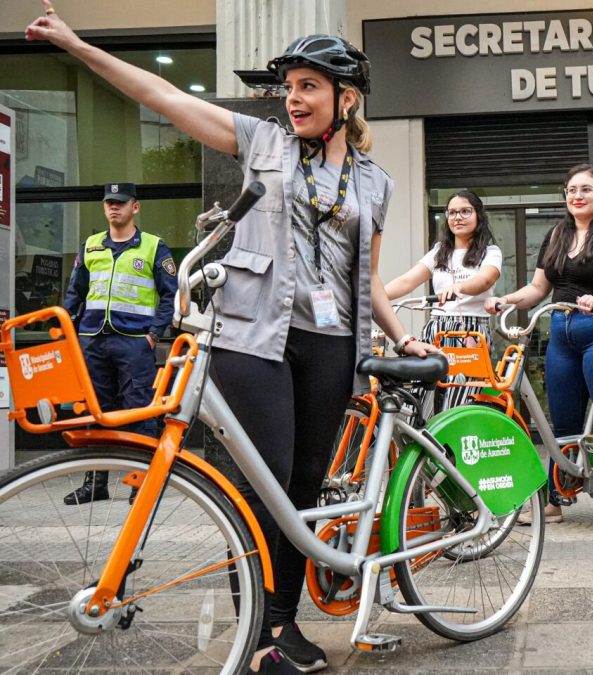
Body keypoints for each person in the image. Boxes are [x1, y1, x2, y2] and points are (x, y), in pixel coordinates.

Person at [27, 7, 440, 672]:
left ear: (346, 97)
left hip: (330, 343)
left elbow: (368, 279)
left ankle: (281, 627)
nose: (294, 98)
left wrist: (403, 337)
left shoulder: (376, 182)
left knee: (303, 488)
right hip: (253, 338)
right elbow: (159, 94)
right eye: (289, 87)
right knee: (262, 484)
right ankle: (259, 626)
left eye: (309, 86)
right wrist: (78, 47)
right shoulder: (262, 142)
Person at [484, 164, 593, 546]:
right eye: (571, 190)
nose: (577, 196)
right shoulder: (556, 234)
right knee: (562, 424)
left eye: (586, 189)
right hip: (561, 332)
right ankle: (555, 499)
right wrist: (506, 299)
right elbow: (538, 288)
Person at [60, 182, 177, 506]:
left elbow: (170, 294)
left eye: (121, 203)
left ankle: (140, 483)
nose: (114, 207)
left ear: (135, 207)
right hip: (92, 340)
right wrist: (67, 329)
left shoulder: (154, 247)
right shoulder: (91, 246)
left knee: (140, 410)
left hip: (134, 342)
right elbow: (75, 293)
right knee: (94, 412)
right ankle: (94, 484)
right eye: (109, 203)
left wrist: (154, 333)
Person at [385, 190, 501, 411]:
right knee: (423, 398)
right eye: (452, 212)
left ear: (478, 215)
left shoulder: (490, 252)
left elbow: (485, 280)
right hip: (437, 330)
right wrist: (374, 296)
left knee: (461, 400)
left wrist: (459, 288)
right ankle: (423, 444)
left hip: (470, 332)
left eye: (465, 211)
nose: (458, 217)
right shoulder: (440, 251)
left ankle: (454, 444)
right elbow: (407, 281)